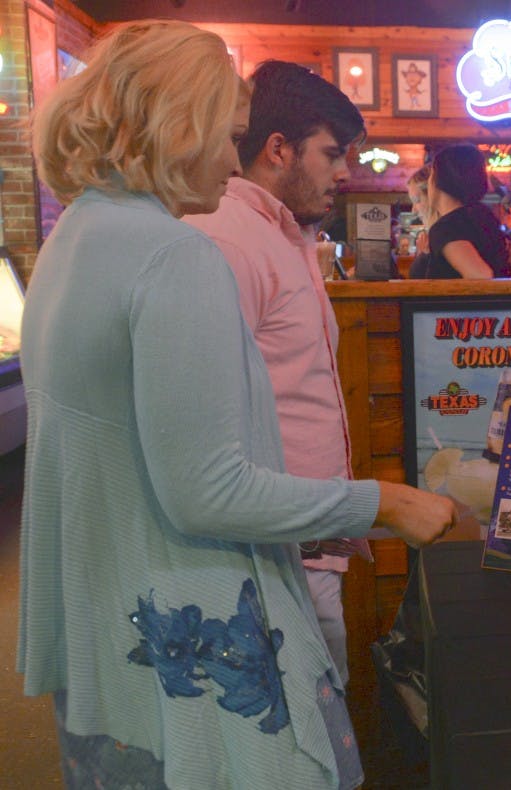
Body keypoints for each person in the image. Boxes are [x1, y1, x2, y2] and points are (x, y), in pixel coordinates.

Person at [19, 22, 456, 789]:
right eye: (225, 137)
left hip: (107, 622)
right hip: (191, 629)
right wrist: (383, 503)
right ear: (176, 128)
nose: (232, 159)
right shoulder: (174, 255)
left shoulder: (76, 235)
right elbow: (208, 489)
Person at [185, 60, 383, 691]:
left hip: (301, 537)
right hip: (268, 552)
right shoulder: (230, 242)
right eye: (332, 154)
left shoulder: (283, 236)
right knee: (305, 731)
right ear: (277, 149)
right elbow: (206, 419)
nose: (345, 172)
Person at [420, 143, 511, 279]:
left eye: (431, 174)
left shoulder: (446, 228)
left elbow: (482, 276)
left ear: (437, 180)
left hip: (468, 301)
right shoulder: (483, 219)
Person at [405, 165, 434, 279]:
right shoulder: (431, 237)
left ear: (433, 196)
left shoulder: (447, 235)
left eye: (417, 201)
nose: (413, 210)